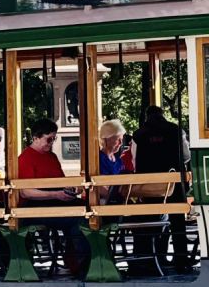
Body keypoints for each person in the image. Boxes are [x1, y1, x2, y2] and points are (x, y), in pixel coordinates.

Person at [17, 116, 87, 275]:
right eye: (49, 139)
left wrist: (70, 190)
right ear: (35, 137)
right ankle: (79, 263)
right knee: (79, 218)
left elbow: (61, 182)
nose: (51, 143)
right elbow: (26, 192)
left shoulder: (52, 157)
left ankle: (79, 261)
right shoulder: (25, 159)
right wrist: (56, 194)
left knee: (87, 209)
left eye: (53, 140)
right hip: (34, 209)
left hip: (53, 204)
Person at [132, 104, 191, 272]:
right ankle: (181, 260)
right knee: (177, 222)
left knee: (152, 222)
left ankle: (154, 259)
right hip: (175, 184)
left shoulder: (138, 135)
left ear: (146, 117)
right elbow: (186, 156)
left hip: (150, 186)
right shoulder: (176, 130)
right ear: (163, 115)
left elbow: (136, 163)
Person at [96, 118, 134, 205]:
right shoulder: (99, 159)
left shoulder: (118, 160)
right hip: (106, 202)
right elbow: (99, 188)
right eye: (118, 139)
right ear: (106, 139)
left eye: (121, 139)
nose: (121, 143)